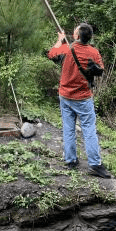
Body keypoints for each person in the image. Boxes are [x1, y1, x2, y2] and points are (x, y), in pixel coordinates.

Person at [47, 23, 110, 178]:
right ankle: (95, 165)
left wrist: (60, 40)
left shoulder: (67, 49)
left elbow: (52, 54)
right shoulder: (93, 52)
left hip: (65, 96)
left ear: (76, 36)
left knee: (68, 128)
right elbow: (100, 69)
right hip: (83, 98)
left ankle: (71, 161)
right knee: (89, 130)